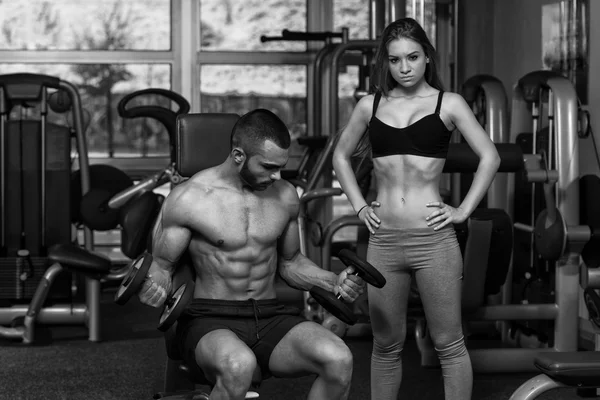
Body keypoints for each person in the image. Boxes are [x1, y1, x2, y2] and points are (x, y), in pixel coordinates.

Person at [137, 108, 367, 400]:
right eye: (269, 167)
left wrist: (332, 281)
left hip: (270, 315)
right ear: (238, 156)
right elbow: (161, 267)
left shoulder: (284, 196)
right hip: (210, 319)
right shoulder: (189, 199)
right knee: (238, 366)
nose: (278, 175)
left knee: (338, 359)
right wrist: (151, 288)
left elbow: (291, 263)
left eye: (281, 166)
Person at [332, 18, 500, 400]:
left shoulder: (448, 103)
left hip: (434, 240)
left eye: (412, 57)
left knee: (449, 344)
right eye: (394, 60)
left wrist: (463, 211)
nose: (404, 68)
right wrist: (359, 207)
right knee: (386, 345)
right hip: (384, 240)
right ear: (385, 63)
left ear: (427, 58)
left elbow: (489, 157)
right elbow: (340, 157)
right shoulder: (369, 104)